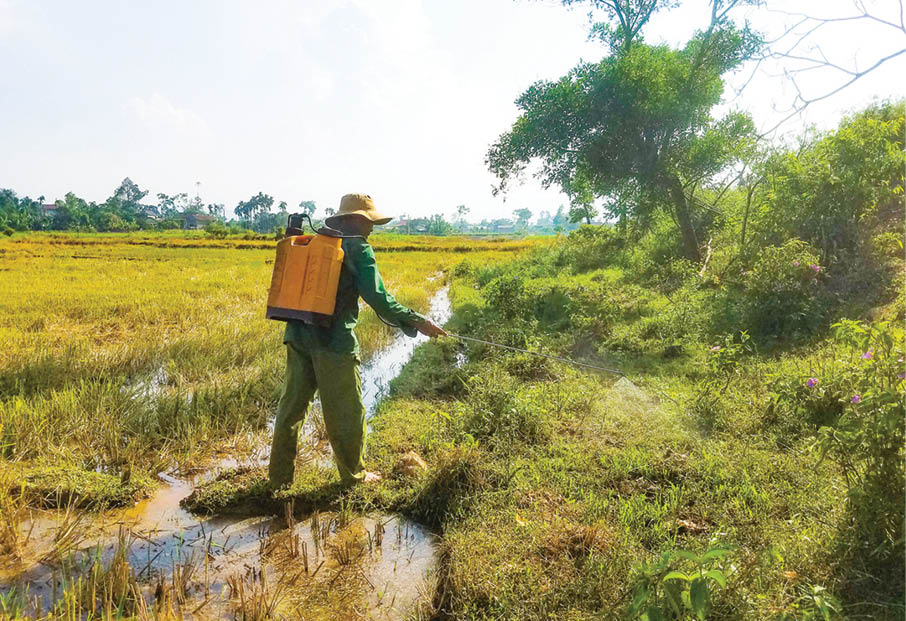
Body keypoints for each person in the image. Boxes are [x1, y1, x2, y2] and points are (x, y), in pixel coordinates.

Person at [268, 193, 447, 489]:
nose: (372, 228)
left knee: (290, 410)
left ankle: (278, 480)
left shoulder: (315, 244)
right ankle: (354, 477)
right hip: (334, 343)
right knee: (347, 412)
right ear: (353, 219)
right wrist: (419, 321)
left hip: (298, 334)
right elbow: (379, 299)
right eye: (368, 221)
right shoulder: (358, 249)